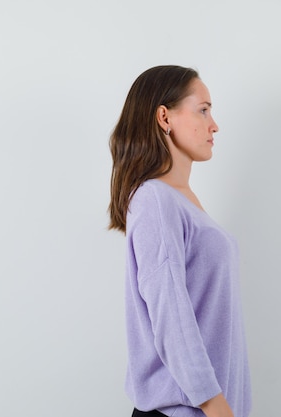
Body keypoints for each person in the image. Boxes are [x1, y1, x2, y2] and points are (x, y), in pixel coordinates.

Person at [108, 65, 251, 417]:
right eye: (203, 109)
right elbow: (170, 315)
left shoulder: (182, 200)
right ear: (164, 117)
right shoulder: (155, 199)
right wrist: (217, 407)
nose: (214, 124)